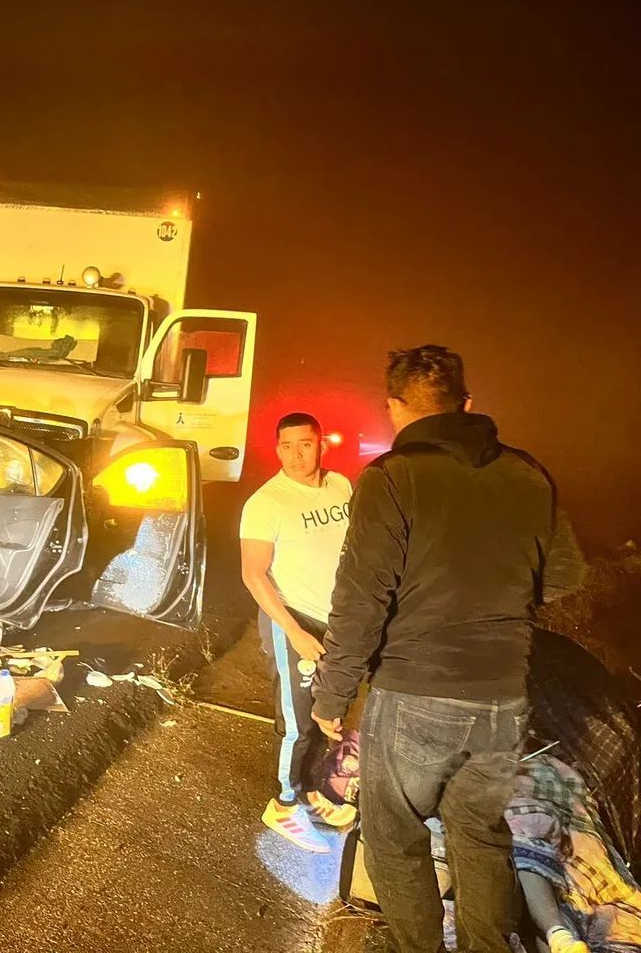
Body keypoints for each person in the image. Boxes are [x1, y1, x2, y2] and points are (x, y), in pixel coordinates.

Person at [311, 345, 586, 953]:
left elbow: (360, 602)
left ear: (394, 407)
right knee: (481, 834)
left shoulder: (392, 477)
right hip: (501, 698)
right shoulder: (527, 474)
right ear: (468, 405)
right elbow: (564, 575)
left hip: (414, 692)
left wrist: (331, 695)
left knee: (393, 836)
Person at [240, 412, 359, 854]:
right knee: (296, 720)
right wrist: (291, 630)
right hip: (292, 620)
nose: (296, 454)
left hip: (336, 621)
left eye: (305, 444)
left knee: (326, 713)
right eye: (286, 446)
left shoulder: (341, 487)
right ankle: (285, 804)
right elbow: (253, 575)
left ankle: (311, 791)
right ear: (276, 450)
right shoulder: (267, 502)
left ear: (321, 443)